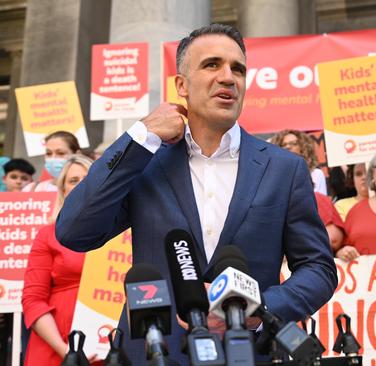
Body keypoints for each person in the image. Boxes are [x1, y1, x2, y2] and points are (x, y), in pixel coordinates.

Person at [55, 23, 337, 364]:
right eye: (212, 65)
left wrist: (259, 308)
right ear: (181, 85)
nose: (228, 77)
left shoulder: (284, 169)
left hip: (246, 349)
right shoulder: (145, 161)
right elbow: (74, 231)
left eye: (238, 69)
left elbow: (318, 268)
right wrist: (139, 136)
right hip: (154, 351)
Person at [22, 155, 99, 365]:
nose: (82, 184)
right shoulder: (48, 235)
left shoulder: (124, 235)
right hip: (56, 348)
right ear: (63, 190)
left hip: (109, 346)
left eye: (89, 177)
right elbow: (33, 300)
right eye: (73, 180)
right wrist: (67, 351)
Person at [270, 129, 328, 195]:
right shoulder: (274, 177)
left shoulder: (316, 174)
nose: (288, 147)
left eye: (293, 144)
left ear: (303, 147)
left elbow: (320, 201)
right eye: (283, 145)